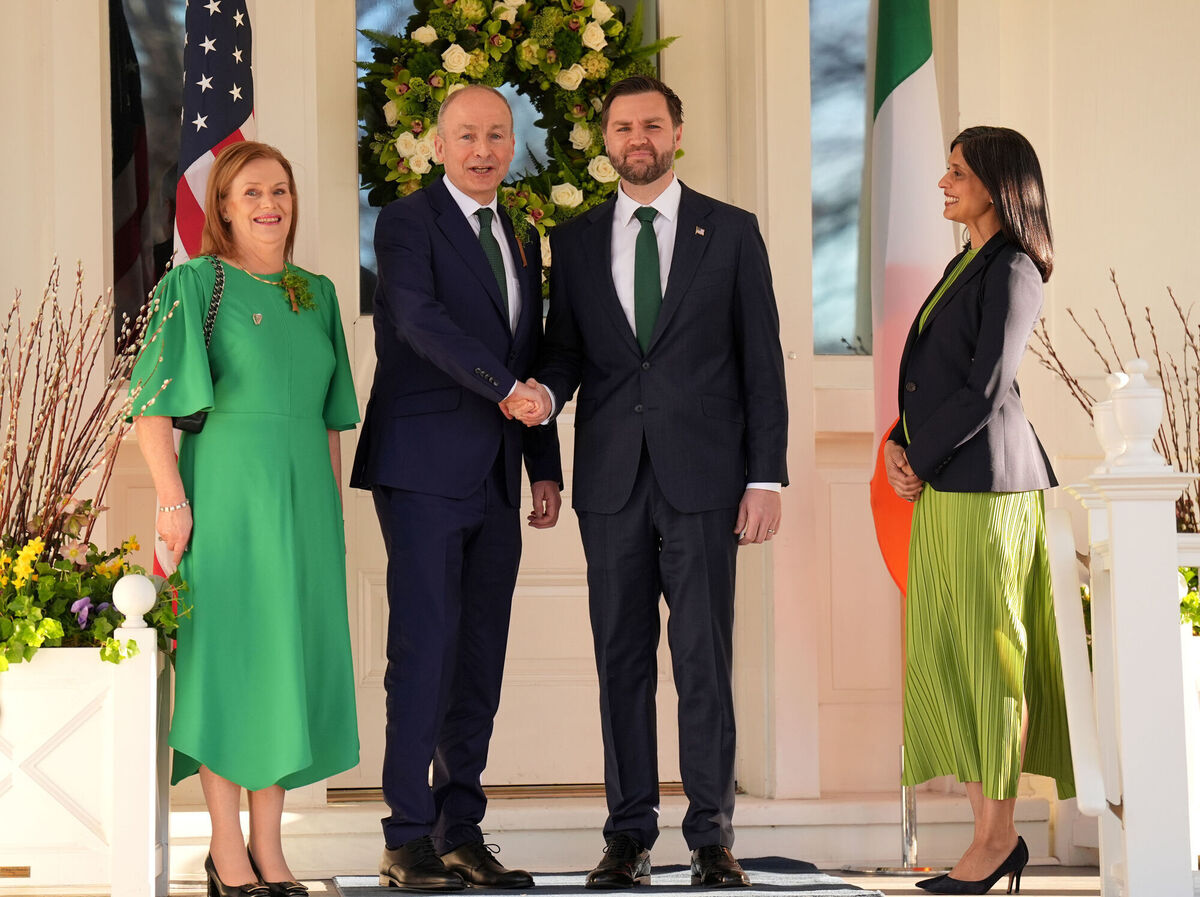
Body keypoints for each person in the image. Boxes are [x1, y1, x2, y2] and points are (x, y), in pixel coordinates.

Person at [511, 76, 788, 889]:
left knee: (704, 657)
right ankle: (628, 834)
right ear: (606, 139)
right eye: (624, 126)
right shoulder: (579, 235)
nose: (639, 137)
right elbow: (565, 351)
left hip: (707, 478)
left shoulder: (731, 232)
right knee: (621, 658)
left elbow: (762, 362)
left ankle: (711, 837)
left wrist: (766, 477)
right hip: (610, 480)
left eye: (653, 124)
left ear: (677, 132)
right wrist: (546, 402)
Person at [131, 140, 360, 897]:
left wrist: (328, 515)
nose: (270, 204)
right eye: (252, 192)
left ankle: (271, 847)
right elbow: (153, 407)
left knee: (285, 668)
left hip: (304, 511)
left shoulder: (316, 293)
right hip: (225, 502)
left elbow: (330, 421)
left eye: (281, 191)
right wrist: (171, 499)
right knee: (229, 669)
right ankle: (226, 851)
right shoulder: (194, 285)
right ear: (223, 206)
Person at [349, 85, 563, 891]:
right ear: (437, 145)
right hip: (422, 468)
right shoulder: (407, 223)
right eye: (466, 135)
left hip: (497, 476)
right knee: (425, 650)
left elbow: (533, 347)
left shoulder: (519, 230)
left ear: (513, 146)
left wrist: (542, 463)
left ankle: (459, 829)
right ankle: (406, 834)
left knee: (479, 657)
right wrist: (503, 385)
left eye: (497, 136)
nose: (482, 149)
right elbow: (415, 317)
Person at [883, 126, 1074, 895]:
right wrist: (899, 441)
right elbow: (934, 379)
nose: (942, 182)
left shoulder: (1015, 267)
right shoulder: (969, 261)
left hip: (987, 489)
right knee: (955, 660)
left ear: (996, 184)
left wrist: (918, 457)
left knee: (991, 660)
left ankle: (997, 841)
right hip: (947, 484)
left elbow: (986, 386)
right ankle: (987, 836)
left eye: (957, 172)